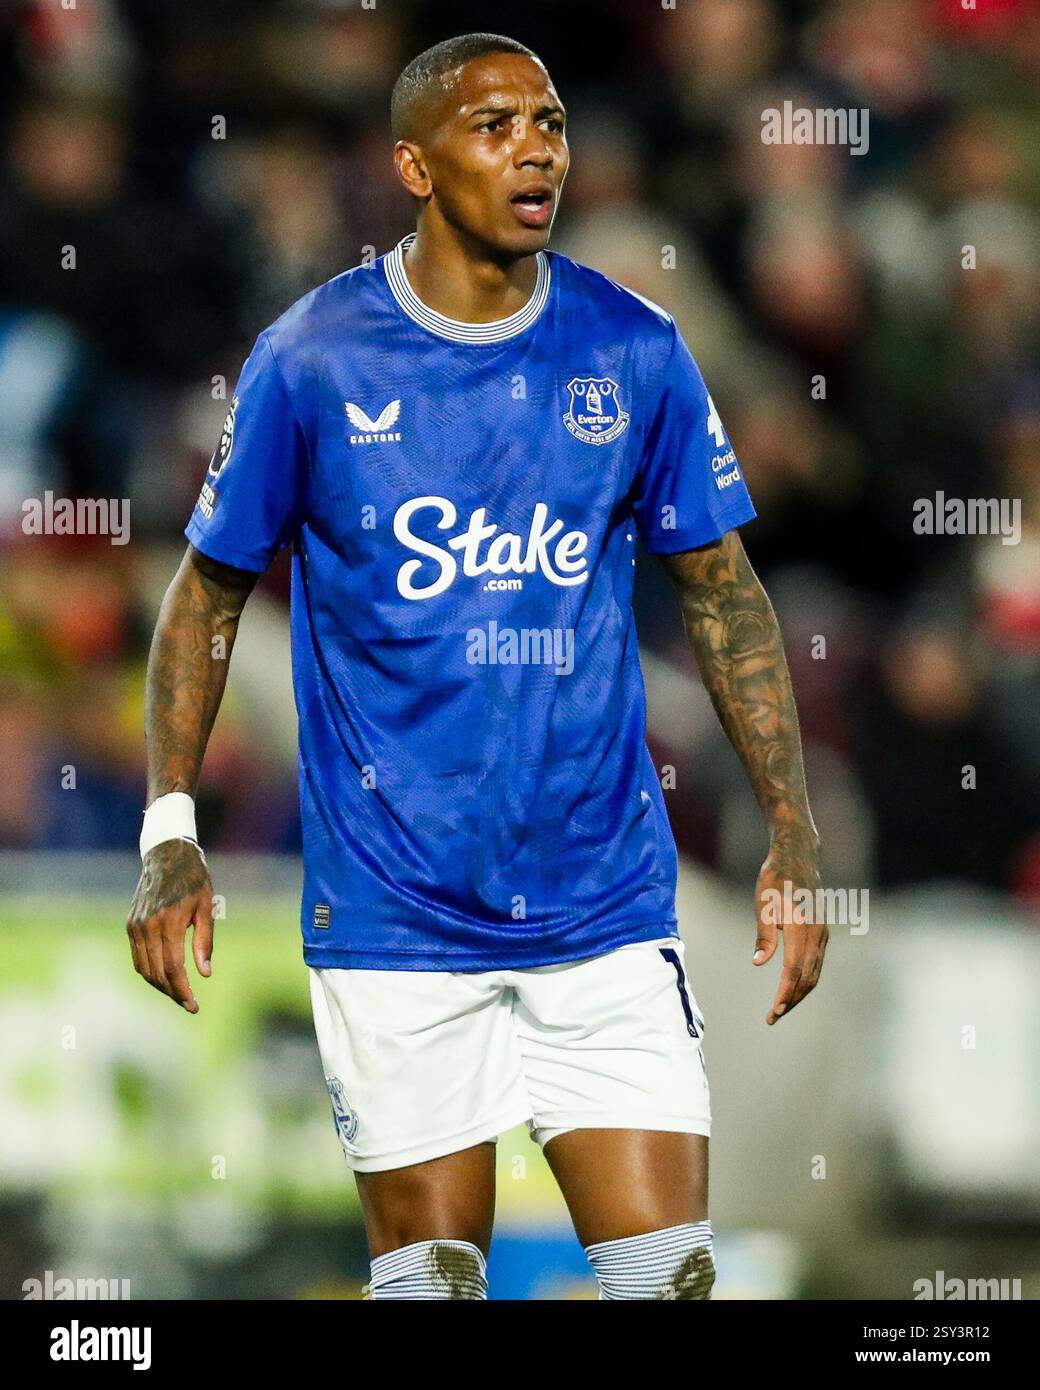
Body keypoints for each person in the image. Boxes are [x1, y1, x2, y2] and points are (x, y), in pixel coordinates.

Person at [126, 32, 826, 1301]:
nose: (536, 149)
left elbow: (723, 592)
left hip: (603, 907)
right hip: (395, 920)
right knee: (436, 1283)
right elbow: (203, 595)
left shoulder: (634, 348)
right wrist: (169, 826)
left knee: (669, 1278)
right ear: (412, 163)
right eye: (493, 124)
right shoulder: (313, 359)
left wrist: (790, 817)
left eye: (549, 122)